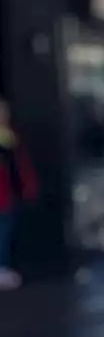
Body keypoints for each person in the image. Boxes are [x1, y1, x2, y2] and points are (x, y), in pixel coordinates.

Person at [0, 98, 38, 291]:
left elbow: (19, 166)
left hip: (9, 195)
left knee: (6, 231)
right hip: (4, 196)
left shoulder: (10, 137)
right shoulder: (7, 138)